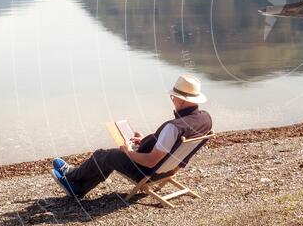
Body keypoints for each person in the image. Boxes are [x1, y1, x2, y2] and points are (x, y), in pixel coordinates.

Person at [52, 74, 212, 199]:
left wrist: (129, 151)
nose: (172, 100)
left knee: (104, 155)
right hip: (167, 170)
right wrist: (145, 141)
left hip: (147, 172)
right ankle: (79, 187)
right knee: (111, 156)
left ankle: (71, 175)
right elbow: (172, 145)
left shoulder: (173, 127)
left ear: (182, 101)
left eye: (173, 97)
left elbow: (151, 161)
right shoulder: (205, 119)